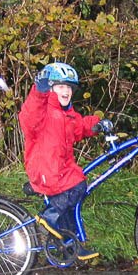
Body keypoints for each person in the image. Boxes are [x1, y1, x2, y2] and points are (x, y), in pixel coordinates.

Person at [18, 61, 113, 262]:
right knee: (78, 183)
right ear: (50, 88)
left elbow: (79, 127)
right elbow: (28, 117)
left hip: (60, 169)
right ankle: (48, 217)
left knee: (71, 204)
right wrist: (38, 92)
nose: (66, 91)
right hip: (45, 169)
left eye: (69, 87)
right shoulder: (42, 112)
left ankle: (70, 244)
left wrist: (97, 124)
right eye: (61, 86)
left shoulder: (66, 114)